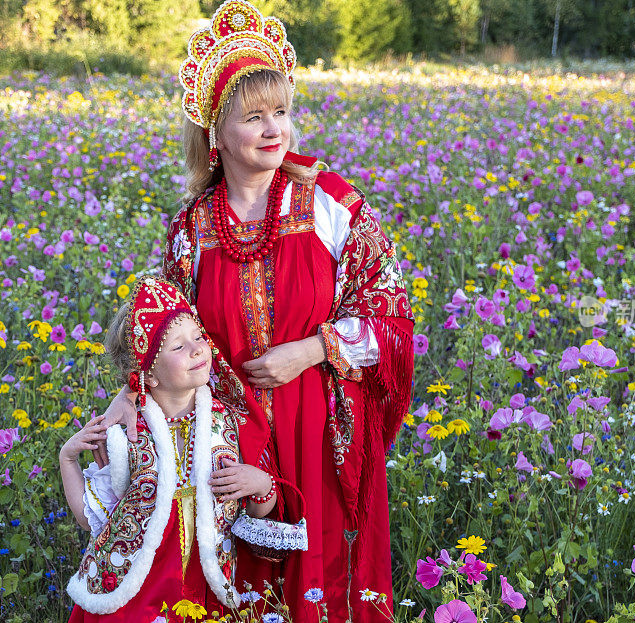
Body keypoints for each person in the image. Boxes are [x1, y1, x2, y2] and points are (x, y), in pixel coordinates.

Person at [96, 1, 415, 620]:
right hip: (231, 433)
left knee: (319, 576)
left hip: (321, 423)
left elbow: (392, 316)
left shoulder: (331, 205)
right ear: (216, 130)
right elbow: (162, 334)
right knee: (236, 581)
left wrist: (312, 350)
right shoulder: (191, 229)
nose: (274, 129)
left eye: (282, 112)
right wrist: (131, 395)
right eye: (253, 117)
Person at [63, 277, 277, 623]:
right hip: (140, 588)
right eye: (177, 347)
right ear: (149, 374)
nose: (196, 349)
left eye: (198, 337)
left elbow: (256, 512)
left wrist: (261, 485)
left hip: (206, 582)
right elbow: (91, 520)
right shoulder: (125, 433)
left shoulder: (231, 423)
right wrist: (67, 459)